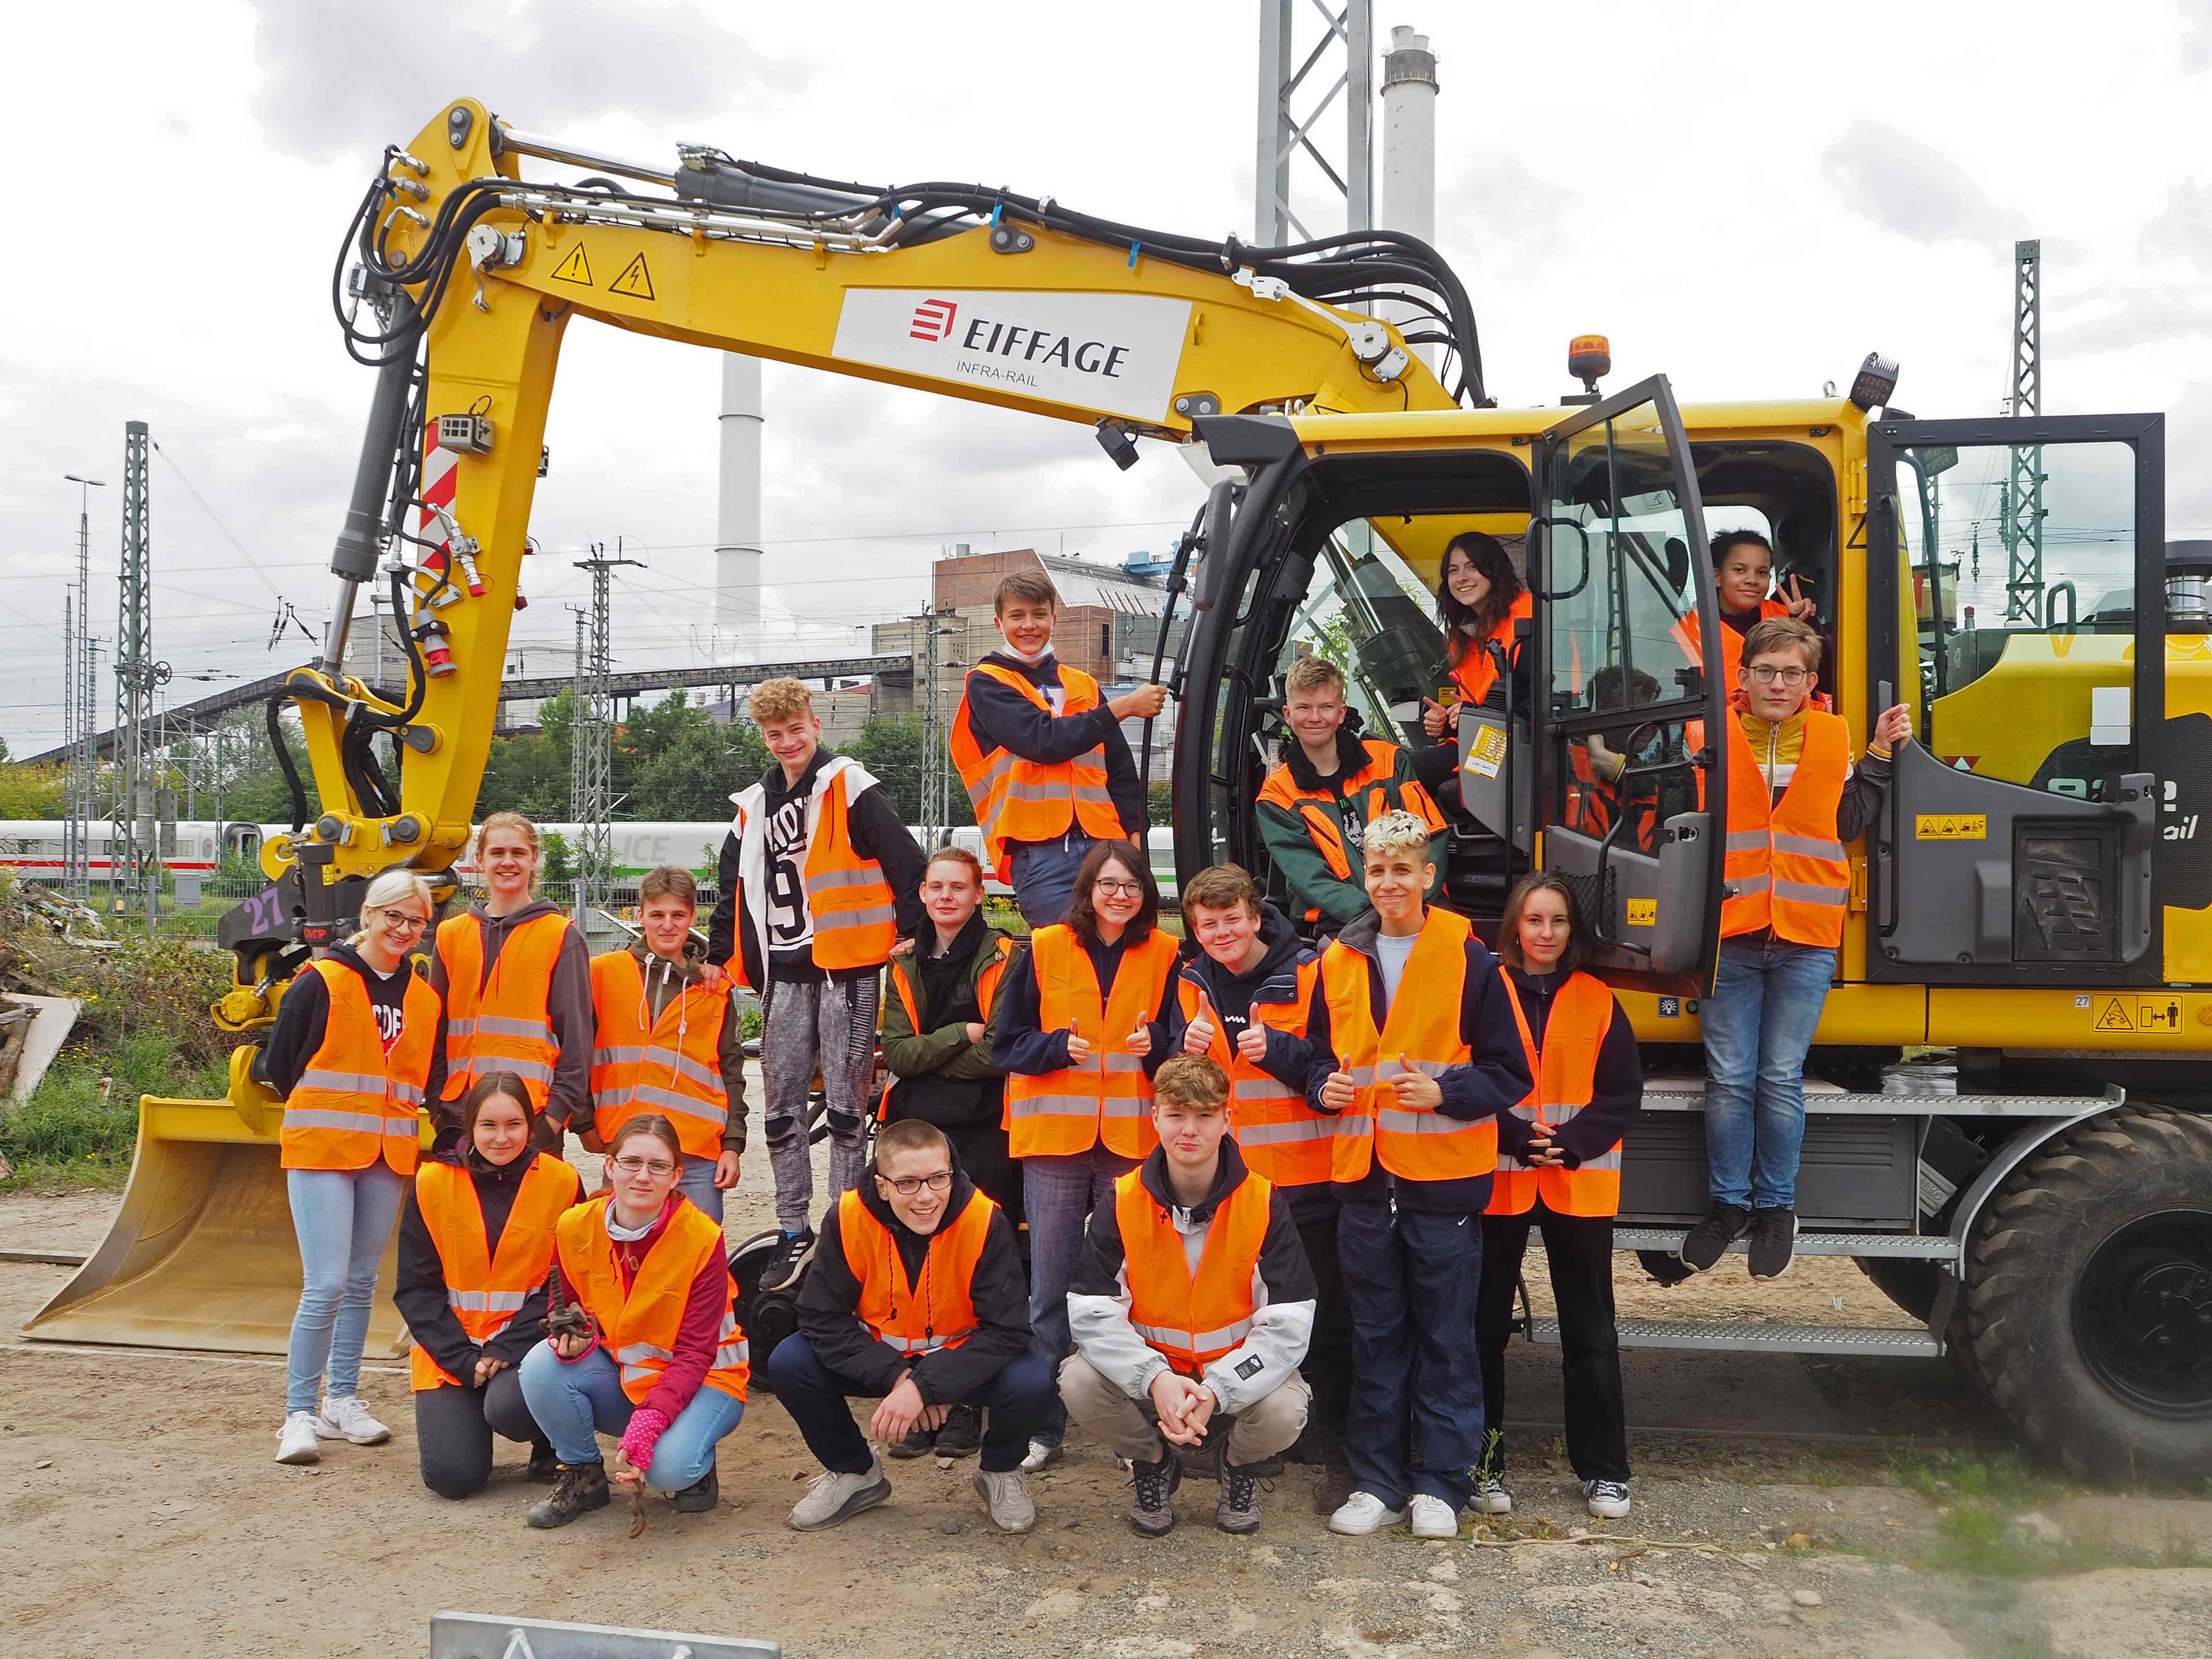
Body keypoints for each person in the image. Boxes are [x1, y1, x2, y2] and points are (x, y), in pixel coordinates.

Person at [1305, 811, 1531, 1539]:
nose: (1389, 882)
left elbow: (1511, 1074)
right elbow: (1317, 1057)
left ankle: (1442, 1482)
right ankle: (1378, 1480)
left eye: (1403, 869)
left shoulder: (1471, 960)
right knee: (1376, 1333)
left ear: (1429, 876)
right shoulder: (1337, 960)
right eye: (1377, 869)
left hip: (1441, 1182)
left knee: (1444, 1337)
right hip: (1367, 1182)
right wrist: (1322, 1087)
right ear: (1362, 876)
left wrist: (1449, 1093)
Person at [1683, 617, 1910, 1280]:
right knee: (1729, 1080)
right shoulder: (1708, 738)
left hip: (1807, 938)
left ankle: (1776, 1209)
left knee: (1778, 1078)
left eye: (1791, 674)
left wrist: (1879, 758)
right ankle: (1729, 1207)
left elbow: (1843, 823)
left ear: (1812, 683)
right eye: (1765, 671)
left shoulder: (1835, 738)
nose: (1777, 684)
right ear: (1743, 677)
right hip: (1730, 936)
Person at [705, 677, 926, 1293]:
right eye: (774, 735)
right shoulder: (752, 806)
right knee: (781, 1106)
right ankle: (793, 1226)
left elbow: (905, 862)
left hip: (847, 970)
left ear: (816, 726)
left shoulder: (849, 787)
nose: (787, 743)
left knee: (848, 1107)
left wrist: (911, 931)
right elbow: (733, 887)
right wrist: (723, 955)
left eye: (796, 731)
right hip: (783, 973)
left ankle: (845, 1222)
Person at [1062, 1056, 1316, 1536]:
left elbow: (1289, 1323)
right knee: (1077, 1380)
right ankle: (1154, 1462)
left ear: (1227, 1119)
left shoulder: (1263, 1202)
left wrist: (1219, 1388)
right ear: (1154, 1118)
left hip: (1234, 1374)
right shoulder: (1123, 1199)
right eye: (1176, 1115)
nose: (1189, 1131)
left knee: (1286, 1408)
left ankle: (1238, 1465)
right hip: (1154, 1377)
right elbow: (1091, 1312)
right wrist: (1155, 1378)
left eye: (1204, 1116)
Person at [1164, 862, 1351, 1507]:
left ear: (1254, 913)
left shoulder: (1310, 972)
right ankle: (1245, 1444)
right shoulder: (1190, 981)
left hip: (1306, 1181)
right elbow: (1174, 1078)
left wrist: (1283, 1052)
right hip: (1230, 1191)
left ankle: (1338, 1456)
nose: (1222, 933)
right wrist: (1176, 1050)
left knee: (1322, 1324)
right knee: (1235, 1320)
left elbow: (1337, 1072)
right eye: (1208, 924)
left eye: (1231, 920)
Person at [993, 838, 1179, 1470]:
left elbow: (1181, 1047)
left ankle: (1128, 1434)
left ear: (1145, 895)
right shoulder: (1042, 948)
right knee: (1049, 1294)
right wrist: (1052, 1050)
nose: (1120, 896)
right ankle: (1042, 1429)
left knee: (1124, 1291)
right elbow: (1005, 1043)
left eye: (1131, 886)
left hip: (1130, 1145)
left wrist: (1154, 1043)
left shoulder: (1166, 954)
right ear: (1088, 889)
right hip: (1055, 1145)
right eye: (1109, 884)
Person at [768, 1119, 1049, 1534]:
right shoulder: (848, 1217)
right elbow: (820, 1318)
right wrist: (901, 1379)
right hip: (880, 1359)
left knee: (1032, 1378)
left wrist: (926, 1386)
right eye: (908, 1184)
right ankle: (853, 1472)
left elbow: (1006, 1330)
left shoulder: (984, 1220)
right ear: (882, 1185)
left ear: (952, 1171)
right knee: (790, 1361)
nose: (926, 1196)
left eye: (938, 1179)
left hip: (960, 1360)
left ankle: (1001, 1472)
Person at [1474, 874, 1643, 1522]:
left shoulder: (1599, 998)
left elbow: (1622, 1094)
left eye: (1559, 922)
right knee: (1482, 1331)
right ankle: (1484, 1468)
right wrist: (1515, 1137)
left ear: (1573, 932)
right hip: (1500, 1177)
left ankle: (1605, 1472)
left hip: (1579, 1179)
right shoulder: (1486, 992)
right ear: (1515, 924)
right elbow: (1464, 1076)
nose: (1546, 933)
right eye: (1535, 920)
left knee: (1592, 1332)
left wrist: (1572, 1142)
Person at [266, 868, 441, 1467]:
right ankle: (298, 1413)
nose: (403, 929)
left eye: (415, 921)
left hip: (386, 1155)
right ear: (368, 913)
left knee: (364, 1282)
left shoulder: (423, 997)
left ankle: (342, 1399)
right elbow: (281, 1064)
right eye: (394, 915)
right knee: (327, 1285)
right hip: (323, 1152)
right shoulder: (321, 982)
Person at [519, 1113, 750, 1528]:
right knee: (541, 1364)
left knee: (669, 1470)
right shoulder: (574, 1225)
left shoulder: (702, 1237)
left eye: (658, 1167)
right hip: (628, 1374)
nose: (643, 1177)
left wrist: (652, 1419)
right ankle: (583, 1473)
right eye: (631, 1163)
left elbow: (698, 1352)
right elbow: (565, 1306)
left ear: (676, 1176)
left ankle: (695, 1457)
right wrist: (570, 1334)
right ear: (610, 1166)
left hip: (709, 1380)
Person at [396, 1071, 583, 1499]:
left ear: (531, 1124)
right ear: (470, 1126)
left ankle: (546, 1440)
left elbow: (569, 1283)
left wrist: (504, 1349)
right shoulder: (432, 1182)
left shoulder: (562, 1181)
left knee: (510, 1409)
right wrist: (463, 1360)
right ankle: (472, 1418)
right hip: (452, 1350)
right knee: (454, 1480)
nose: (502, 1138)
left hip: (527, 1347)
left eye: (514, 1125)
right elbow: (416, 1288)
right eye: (489, 1126)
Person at [949, 568, 1166, 927]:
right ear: (999, 622)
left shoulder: (1084, 684)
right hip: (1039, 851)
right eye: (1017, 616)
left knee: (1131, 951)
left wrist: (1135, 836)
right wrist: (1124, 706)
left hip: (1107, 846)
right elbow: (1043, 741)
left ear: (1054, 618)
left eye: (1039, 614)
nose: (1029, 625)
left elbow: (1121, 773)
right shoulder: (987, 683)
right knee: (1065, 959)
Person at [587, 866, 746, 1225]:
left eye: (678, 915)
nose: (667, 925)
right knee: (623, 1257)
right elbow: (580, 1052)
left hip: (697, 1153)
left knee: (696, 1259)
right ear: (640, 915)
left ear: (693, 917)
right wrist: (585, 1123)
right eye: (657, 915)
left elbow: (730, 1071)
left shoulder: (714, 989)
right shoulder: (605, 974)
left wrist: (733, 1145)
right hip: (627, 1146)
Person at [427, 811, 593, 1153]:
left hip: (531, 1119)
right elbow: (434, 1032)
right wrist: (437, 1109)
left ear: (534, 859)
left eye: (518, 853)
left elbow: (577, 1041)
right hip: (460, 1116)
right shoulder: (451, 935)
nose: (508, 862)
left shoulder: (560, 936)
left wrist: (553, 1119)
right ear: (480, 860)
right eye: (497, 853)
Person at [879, 846, 1023, 1225]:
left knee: (985, 1228)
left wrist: (926, 1061)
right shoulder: (903, 963)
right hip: (915, 1118)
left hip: (988, 1120)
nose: (946, 896)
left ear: (979, 895)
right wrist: (960, 1034)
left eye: (958, 887)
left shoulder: (1005, 957)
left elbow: (998, 1051)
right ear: (923, 893)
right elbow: (896, 1054)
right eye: (937, 886)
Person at [1256, 655, 1446, 931]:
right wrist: (1374, 914)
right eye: (1304, 708)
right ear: (1288, 714)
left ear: (1342, 713)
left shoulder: (1390, 761)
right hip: (1339, 924)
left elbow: (1431, 835)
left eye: (1326, 707)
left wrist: (1410, 906)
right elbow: (1310, 877)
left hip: (1419, 910)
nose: (1315, 718)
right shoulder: (1276, 795)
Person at [1415, 531, 1531, 795]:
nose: (1462, 578)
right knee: (1396, 766)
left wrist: (1468, 713)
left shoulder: (1530, 619)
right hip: (1482, 742)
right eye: (1454, 571)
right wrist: (1447, 721)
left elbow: (1534, 702)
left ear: (1495, 570)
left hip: (1520, 746)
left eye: (1473, 567)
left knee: (1408, 774)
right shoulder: (1467, 635)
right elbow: (1475, 704)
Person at [1675, 529, 1818, 700]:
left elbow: (1828, 680)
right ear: (1717, 577)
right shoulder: (1690, 631)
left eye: (1762, 573)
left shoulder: (1788, 617)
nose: (1752, 580)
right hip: (1724, 725)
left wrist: (1809, 626)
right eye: (1740, 570)